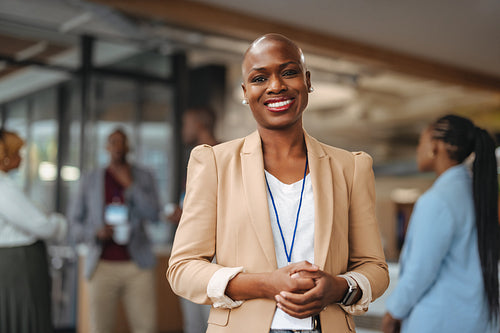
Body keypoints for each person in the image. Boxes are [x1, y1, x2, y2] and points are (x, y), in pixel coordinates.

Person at [167, 33, 389, 333]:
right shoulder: (215, 164)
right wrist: (263, 284)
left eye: (288, 72)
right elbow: (183, 269)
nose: (276, 86)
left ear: (307, 81)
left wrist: (338, 287)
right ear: (245, 92)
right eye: (260, 78)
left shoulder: (351, 167)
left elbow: (375, 268)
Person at [382, 115, 499, 333]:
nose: (417, 149)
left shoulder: (438, 200)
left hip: (438, 321)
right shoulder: (475, 194)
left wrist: (394, 312)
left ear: (435, 147)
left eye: (420, 142)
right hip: (473, 320)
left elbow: (421, 271)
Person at [69, 128, 160, 333]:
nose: (118, 147)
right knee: (101, 327)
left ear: (128, 147)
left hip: (138, 265)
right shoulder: (90, 179)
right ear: (106, 147)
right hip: (101, 265)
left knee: (146, 327)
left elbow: (155, 214)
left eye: (122, 142)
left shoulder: (143, 177)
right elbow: (73, 223)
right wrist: (95, 232)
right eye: (113, 142)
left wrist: (130, 185)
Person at [0, 128, 67, 333]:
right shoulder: (4, 188)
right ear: (5, 157)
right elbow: (41, 225)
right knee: (26, 317)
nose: (20, 157)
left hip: (15, 262)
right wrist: (59, 222)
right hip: (19, 263)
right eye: (17, 152)